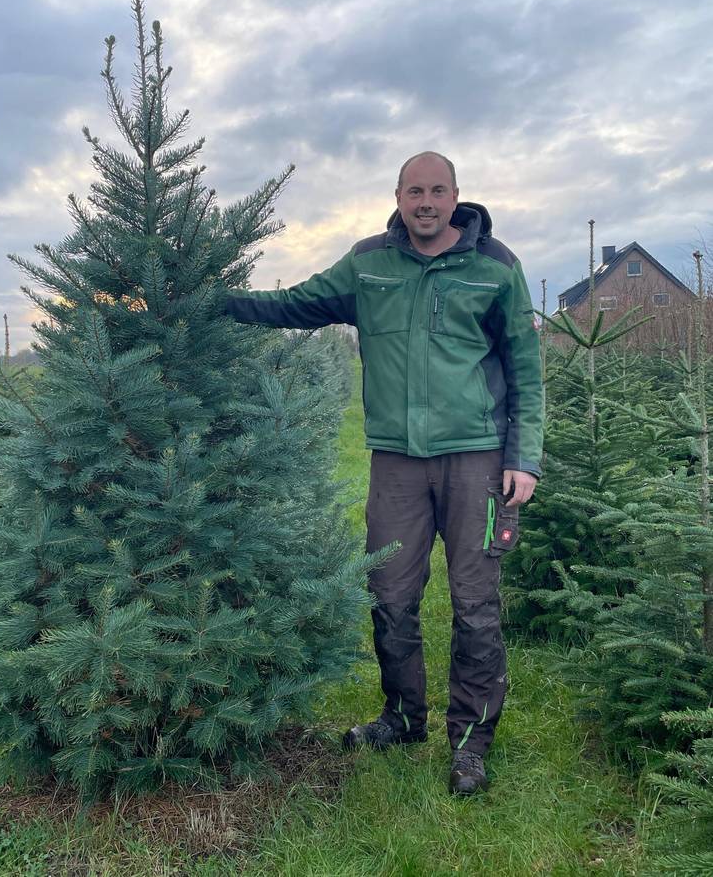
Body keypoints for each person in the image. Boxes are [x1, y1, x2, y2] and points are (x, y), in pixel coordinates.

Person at [224, 151, 542, 796]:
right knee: (390, 596)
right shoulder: (369, 265)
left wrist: (523, 458)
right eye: (414, 190)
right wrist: (216, 301)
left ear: (456, 197)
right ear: (397, 196)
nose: (426, 201)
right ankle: (401, 718)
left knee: (476, 605)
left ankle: (471, 741)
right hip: (396, 462)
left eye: (438, 191)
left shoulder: (496, 268)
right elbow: (295, 303)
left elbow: (526, 367)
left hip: (476, 458)